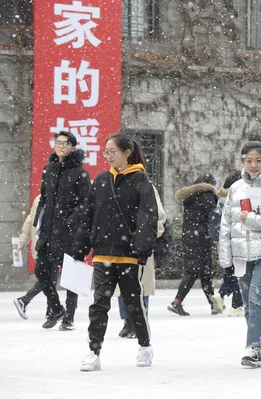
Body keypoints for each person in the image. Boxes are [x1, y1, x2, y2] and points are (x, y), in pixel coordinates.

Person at [73, 133, 158, 371]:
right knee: (99, 304)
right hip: (102, 253)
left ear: (126, 153)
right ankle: (93, 351)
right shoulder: (100, 181)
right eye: (106, 152)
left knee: (133, 303)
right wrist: (80, 248)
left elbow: (147, 217)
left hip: (128, 254)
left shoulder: (142, 181)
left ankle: (145, 345)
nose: (108, 156)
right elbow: (88, 215)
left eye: (112, 151)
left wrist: (141, 248)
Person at [218, 141, 261, 368]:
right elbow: (226, 223)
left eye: (258, 160)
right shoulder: (236, 189)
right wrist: (225, 255)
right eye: (249, 160)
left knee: (257, 297)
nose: (253, 165)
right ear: (242, 162)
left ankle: (254, 348)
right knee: (249, 303)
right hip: (242, 253)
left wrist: (252, 219)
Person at [33, 131, 91, 331]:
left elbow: (86, 204)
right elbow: (43, 199)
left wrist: (70, 221)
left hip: (69, 233)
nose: (60, 146)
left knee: (71, 276)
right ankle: (55, 308)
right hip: (48, 231)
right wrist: (37, 222)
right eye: (57, 142)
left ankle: (69, 317)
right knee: (41, 270)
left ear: (73, 147)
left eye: (64, 143)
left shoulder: (80, 173)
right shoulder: (48, 169)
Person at [167, 174, 224, 316]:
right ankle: (176, 302)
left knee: (204, 272)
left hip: (191, 237)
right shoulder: (206, 195)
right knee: (194, 272)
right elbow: (213, 215)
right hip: (201, 239)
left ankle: (213, 305)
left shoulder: (191, 196)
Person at [117, 185, 167, 339]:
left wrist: (149, 235)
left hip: (141, 242)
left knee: (141, 285)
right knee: (122, 285)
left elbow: (159, 216)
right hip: (119, 243)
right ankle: (127, 320)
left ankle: (138, 321)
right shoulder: (114, 184)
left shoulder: (147, 187)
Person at [13, 194, 48, 320]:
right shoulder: (43, 199)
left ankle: (53, 311)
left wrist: (23, 240)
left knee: (48, 279)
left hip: (42, 246)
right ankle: (24, 300)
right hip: (45, 247)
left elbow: (29, 220)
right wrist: (22, 240)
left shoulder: (39, 198)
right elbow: (31, 221)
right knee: (48, 280)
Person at [216, 170, 244, 317]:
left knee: (231, 275)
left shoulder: (221, 201)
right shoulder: (238, 201)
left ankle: (221, 296)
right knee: (239, 275)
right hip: (237, 243)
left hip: (224, 243)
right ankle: (236, 306)